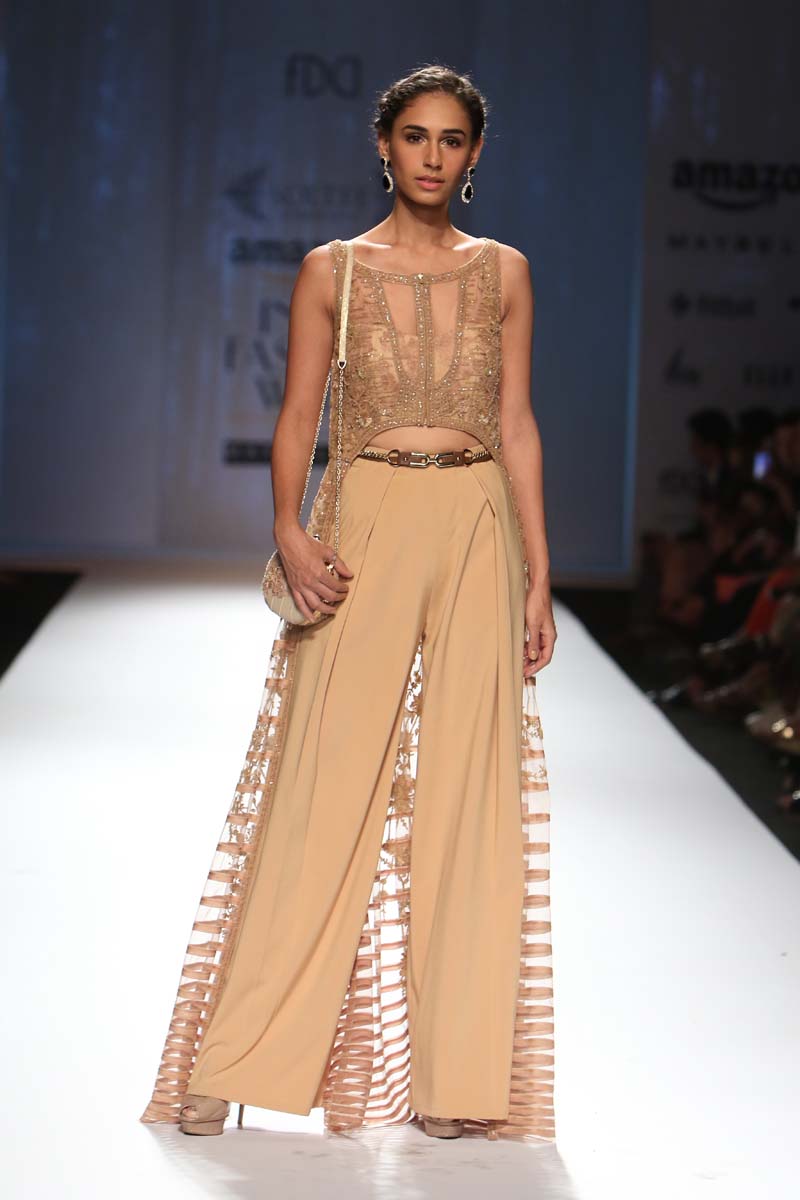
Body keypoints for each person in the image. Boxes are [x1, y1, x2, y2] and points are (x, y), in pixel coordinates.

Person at [139, 63, 557, 1144]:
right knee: (319, 790)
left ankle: (457, 1081)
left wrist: (539, 573)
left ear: (473, 154)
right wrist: (288, 527)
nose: (432, 155)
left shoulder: (505, 272)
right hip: (364, 512)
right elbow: (297, 415)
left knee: (471, 798)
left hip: (478, 520)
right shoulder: (332, 269)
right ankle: (234, 1061)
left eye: (451, 139)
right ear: (383, 145)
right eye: (415, 136)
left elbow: (516, 423)